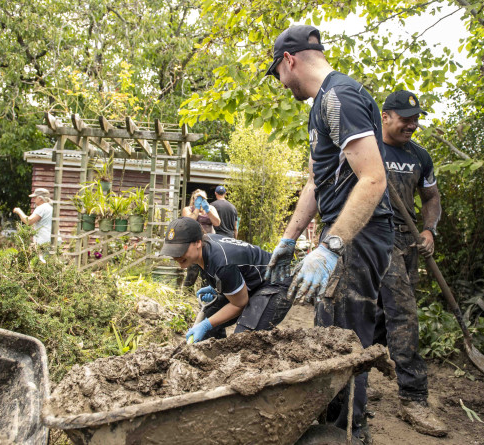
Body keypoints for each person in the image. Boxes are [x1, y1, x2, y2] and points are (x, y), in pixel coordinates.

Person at [265, 25, 394, 442]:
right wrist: (289, 238)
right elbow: (315, 184)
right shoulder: (321, 105)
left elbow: (373, 179)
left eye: (278, 73)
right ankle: (330, 422)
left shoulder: (340, 97)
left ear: (290, 60)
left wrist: (332, 247)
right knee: (327, 335)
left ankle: (348, 434)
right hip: (341, 237)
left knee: (345, 339)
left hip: (358, 237)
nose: (281, 83)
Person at [373, 90, 447, 436]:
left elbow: (431, 196)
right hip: (373, 234)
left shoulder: (420, 156)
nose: (412, 125)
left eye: (416, 118)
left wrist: (429, 230)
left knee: (383, 313)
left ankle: (358, 368)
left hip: (408, 239)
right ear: (386, 115)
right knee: (403, 311)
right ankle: (414, 396)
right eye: (406, 118)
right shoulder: (367, 145)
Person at [160, 217, 292, 342]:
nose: (176, 256)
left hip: (275, 282)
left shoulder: (221, 262)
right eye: (173, 251)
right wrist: (216, 288)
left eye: (180, 250)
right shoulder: (203, 250)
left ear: (198, 243)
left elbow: (239, 304)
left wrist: (206, 325)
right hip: (250, 282)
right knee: (210, 317)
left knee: (244, 339)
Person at [181, 189, 221, 287]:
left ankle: (206, 292)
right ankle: (187, 293)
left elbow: (217, 223)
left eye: (202, 198)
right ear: (193, 199)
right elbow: (189, 221)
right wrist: (197, 208)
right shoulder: (188, 209)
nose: (200, 200)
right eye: (198, 198)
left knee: (207, 271)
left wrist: (208, 210)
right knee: (192, 270)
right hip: (193, 244)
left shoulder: (211, 208)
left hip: (208, 243)